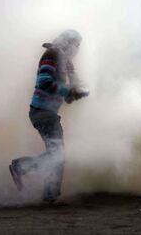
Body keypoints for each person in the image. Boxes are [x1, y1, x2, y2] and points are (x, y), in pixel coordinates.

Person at [9, 29, 89, 203]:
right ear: (67, 43)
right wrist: (70, 90)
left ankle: (49, 195)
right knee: (57, 154)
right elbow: (44, 82)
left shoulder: (66, 62)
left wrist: (77, 92)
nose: (77, 49)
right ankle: (22, 168)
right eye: (76, 45)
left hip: (48, 113)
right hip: (42, 113)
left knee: (56, 154)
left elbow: (68, 93)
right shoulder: (52, 54)